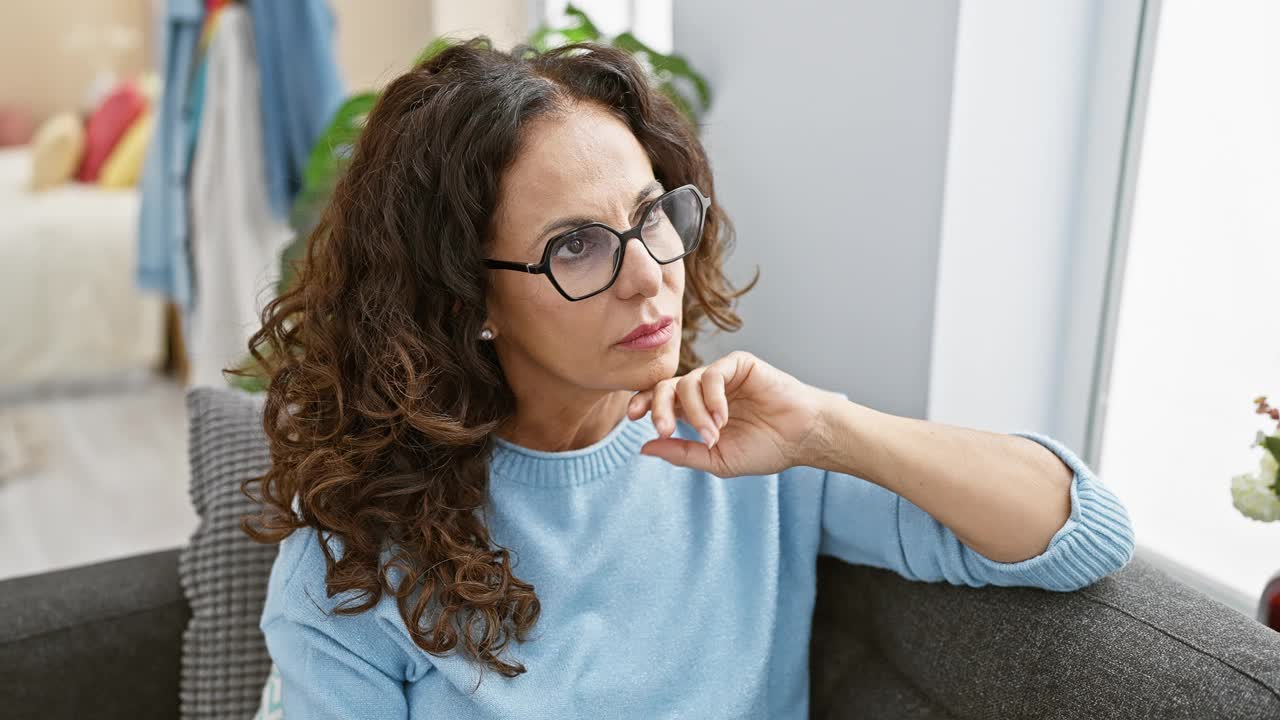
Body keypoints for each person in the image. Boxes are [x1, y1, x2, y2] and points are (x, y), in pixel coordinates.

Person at [242, 36, 1136, 719]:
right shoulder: (345, 569)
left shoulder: (750, 448)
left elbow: (1082, 532)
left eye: (648, 217)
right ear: (466, 297)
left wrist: (827, 427)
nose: (648, 274)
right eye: (574, 246)